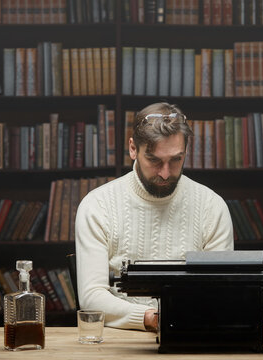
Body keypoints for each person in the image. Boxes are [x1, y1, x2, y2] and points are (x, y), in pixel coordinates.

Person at [75, 102, 234, 332]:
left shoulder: (211, 207)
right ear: (132, 149)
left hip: (191, 336)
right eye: (154, 160)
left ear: (186, 152)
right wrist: (152, 318)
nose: (165, 173)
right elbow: (92, 297)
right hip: (118, 345)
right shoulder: (98, 205)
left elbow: (219, 292)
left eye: (176, 160)